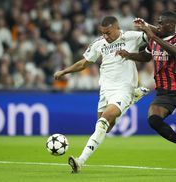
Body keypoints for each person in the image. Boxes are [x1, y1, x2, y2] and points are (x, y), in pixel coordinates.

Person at [54, 16, 148, 173]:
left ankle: (80, 161)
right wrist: (65, 71)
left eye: (108, 32)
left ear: (117, 28)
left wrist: (146, 26)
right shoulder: (99, 44)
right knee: (106, 128)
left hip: (123, 87)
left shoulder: (131, 37)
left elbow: (154, 35)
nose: (105, 36)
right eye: (103, 33)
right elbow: (84, 63)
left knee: (104, 120)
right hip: (105, 89)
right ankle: (133, 98)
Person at [117, 11, 176, 144]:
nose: (158, 25)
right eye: (158, 22)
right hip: (164, 93)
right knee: (154, 119)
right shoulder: (154, 40)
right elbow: (146, 56)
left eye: (162, 22)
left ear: (172, 25)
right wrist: (129, 55)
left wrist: (152, 35)